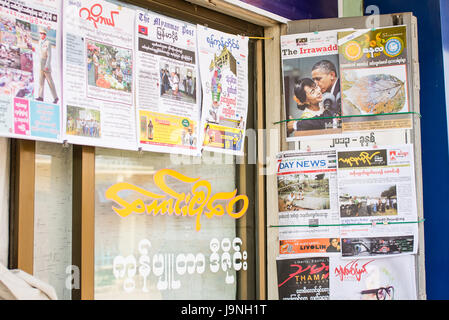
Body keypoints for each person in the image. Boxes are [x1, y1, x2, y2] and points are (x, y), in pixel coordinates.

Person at [36, 28, 58, 104]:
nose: (41, 35)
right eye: (40, 33)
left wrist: (47, 65)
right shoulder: (39, 42)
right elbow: (39, 53)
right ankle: (40, 96)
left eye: (43, 34)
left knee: (50, 82)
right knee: (41, 82)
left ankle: (56, 97)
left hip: (46, 65)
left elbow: (49, 55)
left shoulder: (48, 43)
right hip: (41, 64)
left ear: (45, 35)